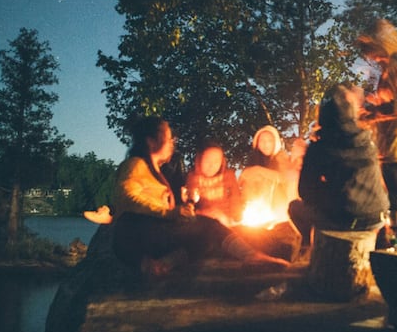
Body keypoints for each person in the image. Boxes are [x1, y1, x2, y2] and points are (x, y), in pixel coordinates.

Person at [111, 116, 288, 282]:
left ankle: (160, 265)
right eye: (168, 138)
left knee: (207, 238)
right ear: (151, 142)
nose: (173, 143)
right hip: (138, 234)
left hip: (154, 233)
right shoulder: (136, 164)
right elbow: (127, 197)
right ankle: (251, 256)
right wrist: (170, 213)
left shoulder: (156, 169)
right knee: (210, 226)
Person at [288, 84, 389, 246]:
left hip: (344, 219)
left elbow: (305, 191)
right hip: (376, 215)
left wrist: (330, 195)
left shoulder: (320, 147)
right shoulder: (367, 142)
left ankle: (311, 249)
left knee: (295, 207)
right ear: (350, 111)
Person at [356, 18, 397, 218]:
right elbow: (393, 100)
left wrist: (371, 116)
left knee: (395, 199)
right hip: (388, 144)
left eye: (370, 49)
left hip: (396, 145)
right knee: (391, 196)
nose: (370, 56)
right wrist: (374, 103)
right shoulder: (391, 66)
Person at [240, 125, 305, 222]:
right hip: (258, 202)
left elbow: (284, 177)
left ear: (275, 142)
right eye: (262, 141)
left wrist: (259, 170)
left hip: (280, 202)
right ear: (257, 143)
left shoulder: (281, 156)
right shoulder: (254, 159)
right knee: (252, 178)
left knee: (261, 177)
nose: (266, 144)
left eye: (270, 141)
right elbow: (242, 178)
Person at [184, 140, 243, 227]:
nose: (212, 165)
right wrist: (204, 213)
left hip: (227, 223)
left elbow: (235, 199)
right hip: (203, 223)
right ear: (200, 160)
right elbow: (190, 206)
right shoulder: (193, 178)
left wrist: (235, 217)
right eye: (208, 160)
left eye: (216, 161)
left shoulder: (228, 176)